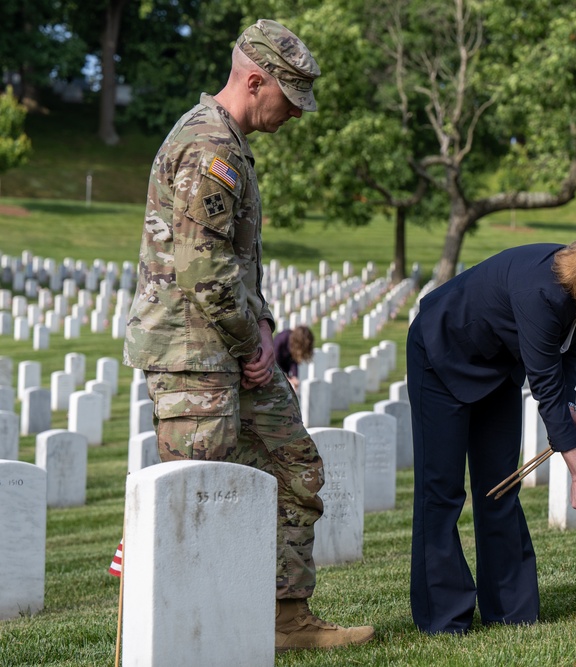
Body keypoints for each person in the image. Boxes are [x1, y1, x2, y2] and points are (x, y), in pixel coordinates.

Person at [123, 19, 374, 652]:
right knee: (195, 495)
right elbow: (203, 269)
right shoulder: (209, 147)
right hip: (194, 354)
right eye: (289, 101)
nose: (294, 115)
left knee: (298, 465)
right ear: (255, 81)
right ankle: (168, 638)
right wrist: (253, 342)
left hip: (234, 346)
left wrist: (263, 328)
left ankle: (284, 617)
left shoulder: (231, 144)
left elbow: (234, 263)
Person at [406, 228, 576, 634]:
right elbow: (544, 383)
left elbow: (567, 356)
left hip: (496, 369)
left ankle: (512, 610)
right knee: (441, 492)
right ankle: (443, 617)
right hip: (440, 354)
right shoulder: (541, 292)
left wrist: (567, 406)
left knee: (501, 488)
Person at [274, 324, 315, 390]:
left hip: (284, 371)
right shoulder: (282, 339)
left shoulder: (294, 345)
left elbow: (294, 361)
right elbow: (274, 362)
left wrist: (294, 376)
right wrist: (286, 378)